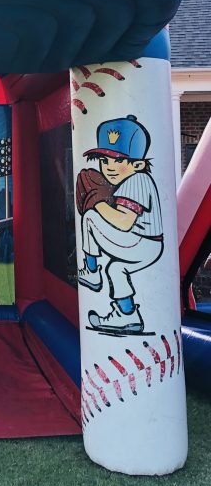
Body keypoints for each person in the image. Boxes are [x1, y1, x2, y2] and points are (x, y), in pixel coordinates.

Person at [77, 115, 163, 335]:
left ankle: (91, 271)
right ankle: (128, 315)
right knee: (116, 269)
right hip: (142, 243)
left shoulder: (137, 180)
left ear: (138, 164)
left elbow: (124, 222)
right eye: (104, 161)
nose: (109, 167)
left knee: (90, 217)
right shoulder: (129, 180)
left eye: (118, 161)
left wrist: (97, 203)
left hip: (142, 242)